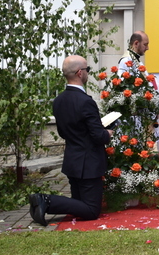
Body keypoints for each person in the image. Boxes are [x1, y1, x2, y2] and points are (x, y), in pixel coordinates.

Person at [29, 55, 113, 225]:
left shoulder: (58, 101)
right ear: (80, 73)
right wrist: (108, 133)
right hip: (89, 163)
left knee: (79, 204)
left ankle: (43, 204)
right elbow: (98, 136)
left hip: (73, 160)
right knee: (91, 210)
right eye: (88, 70)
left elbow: (62, 132)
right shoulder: (85, 102)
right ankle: (45, 200)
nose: (88, 73)